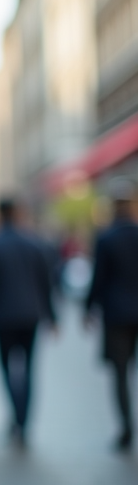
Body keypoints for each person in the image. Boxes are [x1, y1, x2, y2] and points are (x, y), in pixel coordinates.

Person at [0, 198, 57, 444]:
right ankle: (24, 421)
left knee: (7, 369)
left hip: (3, 318)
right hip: (31, 316)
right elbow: (46, 282)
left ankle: (15, 417)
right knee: (29, 370)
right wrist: (52, 316)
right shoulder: (34, 243)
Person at [84, 180, 138, 451]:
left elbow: (98, 279)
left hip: (116, 315)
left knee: (120, 374)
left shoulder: (106, 238)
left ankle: (127, 427)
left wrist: (88, 309)